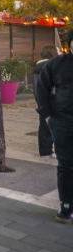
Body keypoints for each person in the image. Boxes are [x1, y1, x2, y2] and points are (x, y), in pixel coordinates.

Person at [36, 30, 73, 223]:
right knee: (66, 165)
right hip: (63, 122)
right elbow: (42, 89)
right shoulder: (56, 65)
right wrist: (48, 115)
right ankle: (66, 205)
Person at [34, 45, 59, 158]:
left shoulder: (38, 66)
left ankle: (45, 150)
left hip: (42, 99)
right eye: (58, 50)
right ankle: (50, 150)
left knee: (44, 125)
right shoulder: (51, 66)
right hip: (51, 99)